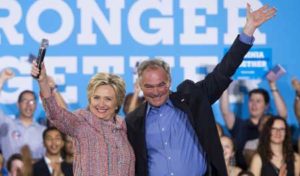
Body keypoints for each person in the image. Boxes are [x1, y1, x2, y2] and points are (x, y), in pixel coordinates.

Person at [125, 3, 277, 175]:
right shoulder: (133, 121)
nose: (156, 91)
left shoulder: (192, 98)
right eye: (149, 87)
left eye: (161, 84)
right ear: (140, 87)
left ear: (169, 81)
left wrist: (248, 30)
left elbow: (222, 73)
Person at [31, 64, 135, 175]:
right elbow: (56, 113)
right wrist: (43, 82)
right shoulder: (82, 121)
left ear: (117, 103)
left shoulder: (123, 125)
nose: (101, 104)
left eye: (108, 99)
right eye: (96, 98)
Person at [220, 80, 287, 169]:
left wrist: (273, 86)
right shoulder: (239, 124)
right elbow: (225, 112)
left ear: (266, 106)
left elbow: (283, 115)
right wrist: (225, 81)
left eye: (258, 101)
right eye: (251, 100)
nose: (254, 104)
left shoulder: (272, 126)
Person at [0, 68, 45, 162]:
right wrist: (2, 79)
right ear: (18, 104)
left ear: (36, 105)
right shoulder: (6, 124)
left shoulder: (43, 131)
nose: (28, 105)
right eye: (25, 101)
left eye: (32, 102)